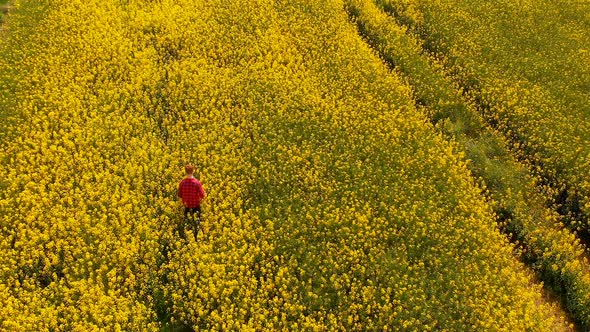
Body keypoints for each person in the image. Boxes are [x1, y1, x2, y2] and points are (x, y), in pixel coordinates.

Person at [177, 164, 206, 239]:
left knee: (187, 224)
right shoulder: (197, 183)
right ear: (193, 171)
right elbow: (202, 195)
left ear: (185, 171)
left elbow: (179, 195)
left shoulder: (182, 183)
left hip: (186, 207)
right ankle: (198, 236)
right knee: (198, 223)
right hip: (196, 206)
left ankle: (186, 237)